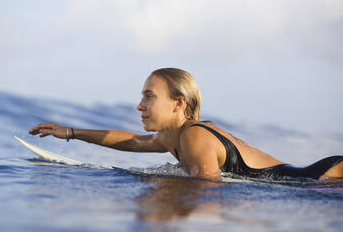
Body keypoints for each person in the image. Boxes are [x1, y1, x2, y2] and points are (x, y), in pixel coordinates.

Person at [29, 68, 343, 181]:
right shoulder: (173, 137)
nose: (140, 105)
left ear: (179, 104)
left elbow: (207, 187)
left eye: (149, 97)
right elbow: (133, 142)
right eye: (141, 97)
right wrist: (69, 132)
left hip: (324, 179)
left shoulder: (194, 137)